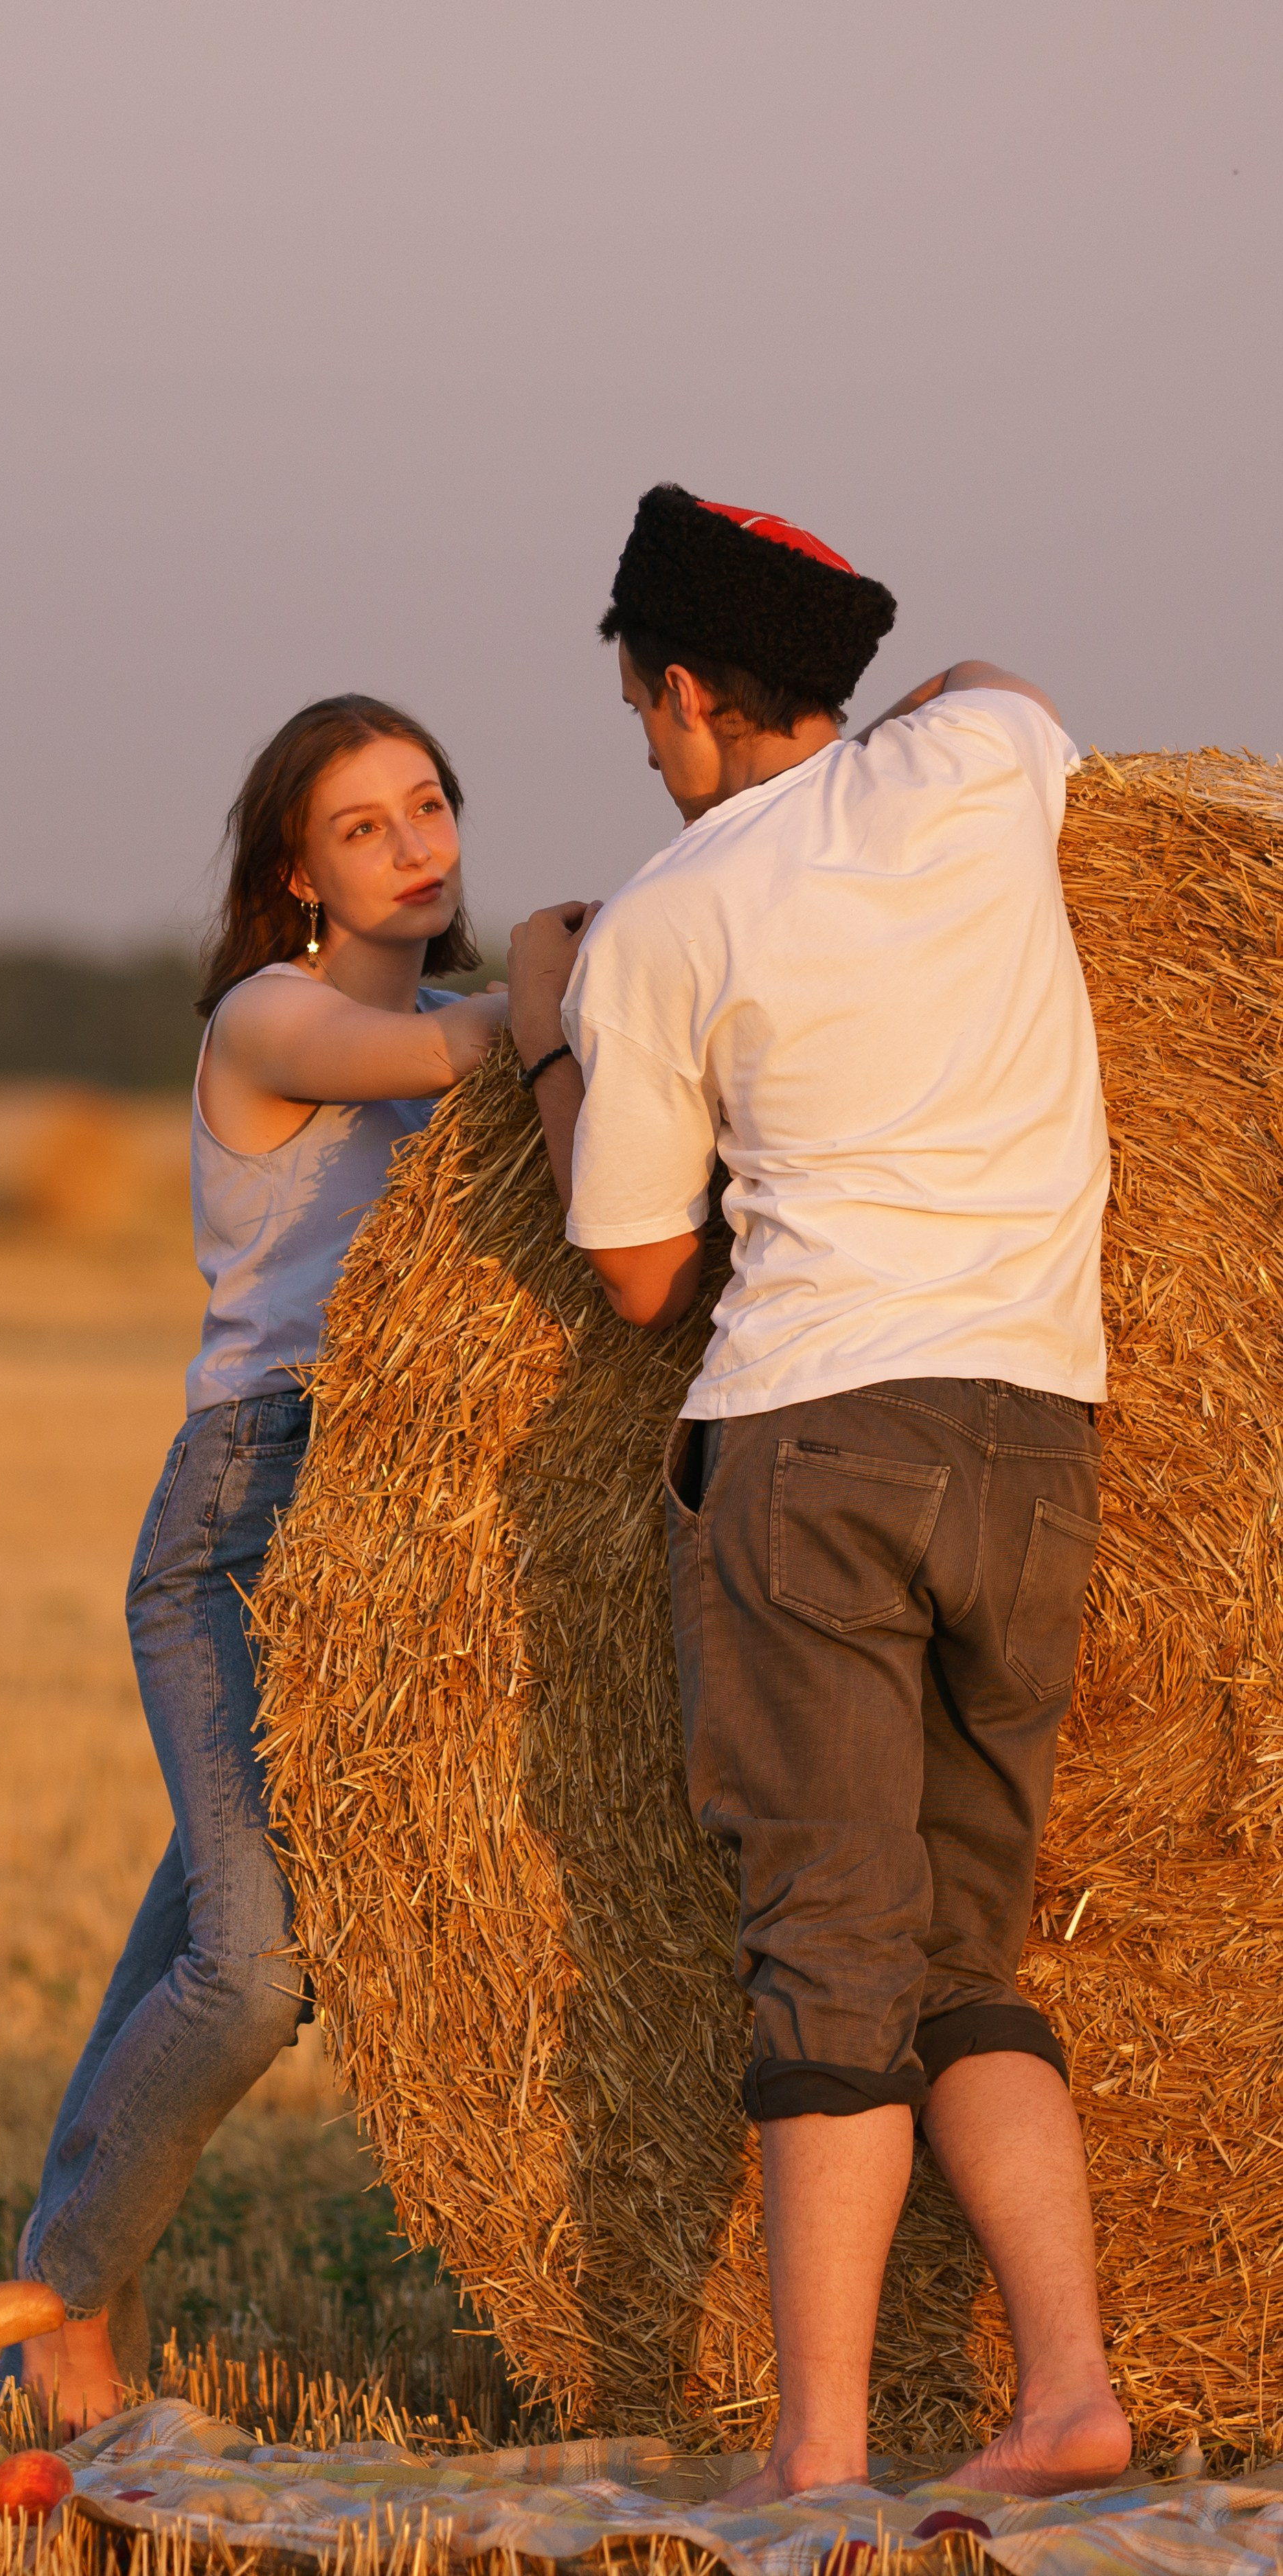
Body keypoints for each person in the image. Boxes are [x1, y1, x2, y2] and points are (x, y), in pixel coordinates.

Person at [506, 488, 1128, 2501]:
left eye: (641, 716)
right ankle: (1065, 2396)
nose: (646, 754)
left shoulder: (672, 913)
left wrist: (543, 1031)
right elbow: (998, 686)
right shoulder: (968, 767)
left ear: (685, 695)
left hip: (815, 1445)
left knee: (827, 1954)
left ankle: (820, 2451)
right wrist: (910, 702)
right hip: (1035, 1435)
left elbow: (632, 1276)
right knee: (969, 1955)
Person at [7, 694, 506, 2429]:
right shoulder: (274, 1018)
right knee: (253, 1969)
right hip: (238, 1523)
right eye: (365, 824)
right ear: (296, 869)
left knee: (182, 1959)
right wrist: (601, 968)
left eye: (430, 803)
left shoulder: (464, 1022)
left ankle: (57, 2274)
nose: (415, 841)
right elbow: (469, 1051)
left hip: (377, 1540)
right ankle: (62, 2299)